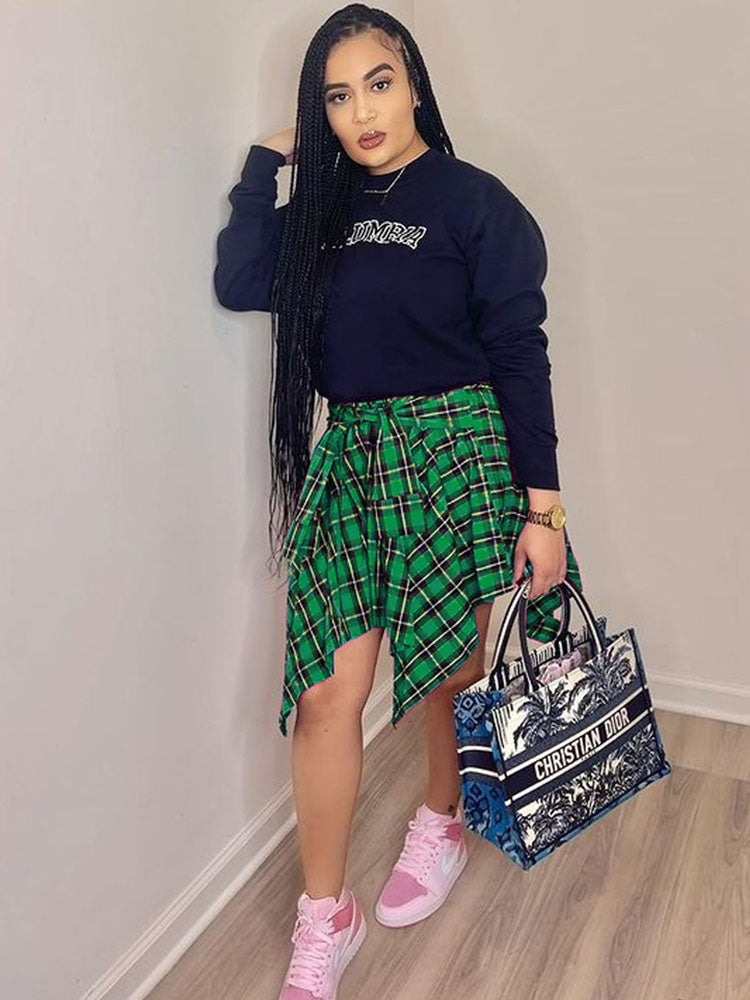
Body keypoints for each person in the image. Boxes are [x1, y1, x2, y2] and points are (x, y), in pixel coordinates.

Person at [213, 5, 583, 997]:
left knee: (448, 670)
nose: (363, 111)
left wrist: (544, 511)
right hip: (356, 454)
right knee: (324, 697)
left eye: (378, 83)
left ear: (413, 82)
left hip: (458, 450)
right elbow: (240, 278)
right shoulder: (320, 216)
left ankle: (440, 819)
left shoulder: (477, 204)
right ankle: (324, 916)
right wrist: (264, 162)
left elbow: (520, 355)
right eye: (338, 96)